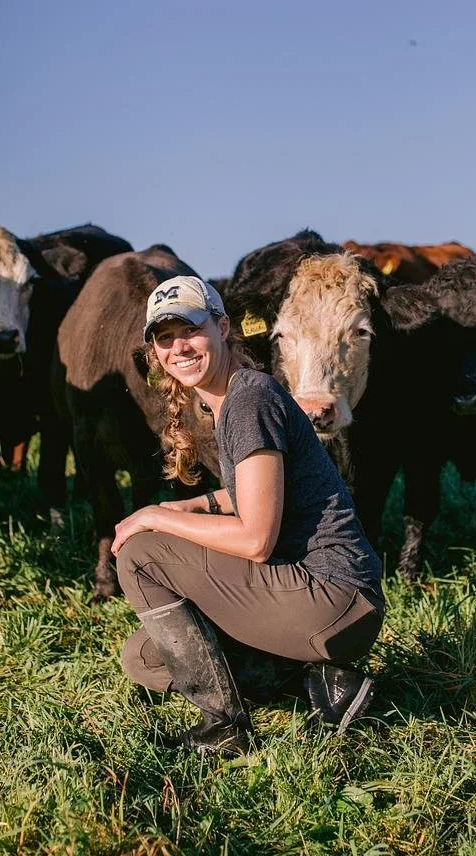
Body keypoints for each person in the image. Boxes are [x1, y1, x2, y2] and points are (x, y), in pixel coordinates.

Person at [112, 275, 384, 755]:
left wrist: (156, 516)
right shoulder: (234, 398)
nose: (179, 347)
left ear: (223, 326)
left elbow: (256, 538)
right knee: (146, 657)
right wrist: (196, 504)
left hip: (332, 594)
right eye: (165, 337)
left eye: (190, 330)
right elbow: (260, 493)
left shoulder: (248, 400)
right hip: (321, 602)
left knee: (142, 553)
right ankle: (320, 681)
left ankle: (224, 726)